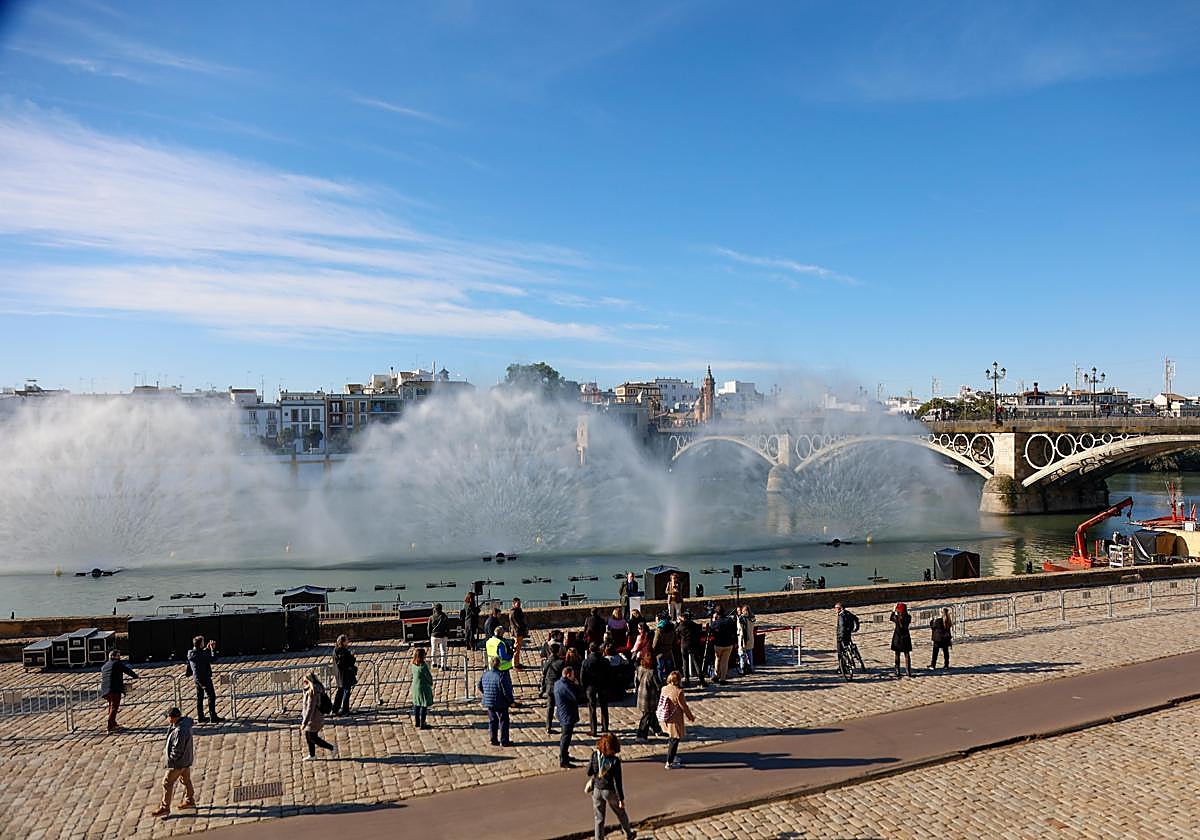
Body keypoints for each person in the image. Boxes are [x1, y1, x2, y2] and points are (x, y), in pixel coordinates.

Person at [587, 732, 636, 840]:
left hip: (596, 790)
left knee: (599, 818)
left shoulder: (595, 755)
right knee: (620, 813)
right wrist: (621, 799)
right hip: (609, 791)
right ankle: (629, 834)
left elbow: (589, 772)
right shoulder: (614, 761)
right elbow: (617, 782)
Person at [150, 706, 195, 817]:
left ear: (173, 718)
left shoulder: (180, 731)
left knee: (167, 782)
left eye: (168, 717)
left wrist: (171, 759)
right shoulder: (183, 725)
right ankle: (190, 799)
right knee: (186, 779)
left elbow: (177, 749)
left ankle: (165, 808)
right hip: (186, 760)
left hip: (178, 763)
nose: (167, 719)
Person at [657, 670, 694, 769]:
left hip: (665, 717)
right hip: (675, 719)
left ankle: (673, 757)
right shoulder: (679, 692)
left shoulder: (664, 688)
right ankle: (669, 762)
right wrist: (690, 717)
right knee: (674, 740)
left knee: (671, 738)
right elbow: (684, 706)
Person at [478, 655, 514, 746]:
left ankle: (493, 739)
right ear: (499, 665)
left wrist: (486, 694)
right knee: (503, 721)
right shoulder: (501, 676)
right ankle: (504, 740)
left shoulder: (485, 674)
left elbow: (479, 686)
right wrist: (511, 701)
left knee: (492, 721)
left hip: (489, 701)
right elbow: (506, 691)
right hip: (500, 702)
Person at [185, 636, 222, 723]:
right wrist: (212, 649)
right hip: (204, 678)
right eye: (203, 642)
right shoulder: (202, 654)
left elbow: (201, 653)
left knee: (200, 697)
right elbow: (213, 659)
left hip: (196, 678)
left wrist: (207, 648)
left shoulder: (190, 653)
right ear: (201, 644)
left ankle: (200, 717)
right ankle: (213, 716)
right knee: (211, 696)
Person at [99, 649, 138, 732]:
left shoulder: (105, 665)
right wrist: (135, 676)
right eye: (118, 655)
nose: (119, 657)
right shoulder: (117, 663)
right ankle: (110, 726)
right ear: (113, 656)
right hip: (114, 689)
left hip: (105, 689)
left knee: (111, 706)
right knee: (114, 707)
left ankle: (113, 723)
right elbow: (127, 670)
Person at [300, 673, 337, 760]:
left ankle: (332, 747)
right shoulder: (316, 688)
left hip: (314, 719)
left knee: (313, 738)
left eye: (305, 681)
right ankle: (312, 755)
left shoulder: (312, 692)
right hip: (314, 718)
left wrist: (304, 723)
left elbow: (310, 709)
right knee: (308, 737)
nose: (304, 683)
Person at [553, 665, 585, 767]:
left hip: (562, 713)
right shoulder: (566, 687)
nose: (574, 677)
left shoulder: (558, 683)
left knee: (565, 736)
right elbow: (576, 697)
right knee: (566, 738)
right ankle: (564, 760)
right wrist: (576, 685)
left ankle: (565, 754)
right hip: (567, 714)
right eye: (573, 675)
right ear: (568, 675)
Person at [580, 642, 611, 736]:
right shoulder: (605, 661)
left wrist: (584, 687)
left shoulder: (586, 662)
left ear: (590, 650)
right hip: (602, 685)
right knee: (604, 707)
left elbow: (582, 676)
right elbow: (609, 674)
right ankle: (605, 727)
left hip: (591, 686)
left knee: (592, 708)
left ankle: (594, 730)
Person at [634, 651, 664, 740]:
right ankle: (641, 735)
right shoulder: (652, 673)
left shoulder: (639, 668)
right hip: (649, 698)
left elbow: (636, 681)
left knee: (651, 715)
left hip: (641, 695)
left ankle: (657, 729)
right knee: (646, 717)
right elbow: (658, 686)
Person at [541, 643, 566, 732]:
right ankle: (564, 725)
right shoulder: (561, 662)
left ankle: (548, 726)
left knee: (550, 707)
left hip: (549, 687)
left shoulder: (547, 661)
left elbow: (544, 673)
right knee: (561, 707)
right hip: (558, 687)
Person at [676, 611, 705, 688]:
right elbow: (700, 632)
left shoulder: (681, 626)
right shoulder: (694, 624)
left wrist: (677, 623)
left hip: (684, 645)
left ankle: (687, 680)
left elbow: (677, 634)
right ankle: (702, 680)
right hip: (693, 645)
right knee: (696, 662)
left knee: (685, 663)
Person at [709, 607, 737, 684]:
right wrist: (735, 642)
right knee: (725, 662)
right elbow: (734, 631)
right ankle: (722, 678)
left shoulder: (716, 622)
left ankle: (716, 675)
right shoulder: (730, 620)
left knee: (717, 659)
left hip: (718, 644)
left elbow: (711, 631)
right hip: (728, 644)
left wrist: (713, 621)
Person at [332, 634, 357, 716]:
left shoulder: (336, 650)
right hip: (344, 675)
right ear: (343, 642)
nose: (348, 641)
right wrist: (352, 656)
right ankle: (345, 710)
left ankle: (335, 708)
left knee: (340, 691)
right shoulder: (342, 651)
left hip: (340, 675)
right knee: (346, 692)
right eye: (346, 640)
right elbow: (344, 663)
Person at [411, 647, 434, 729]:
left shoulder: (413, 664)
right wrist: (431, 683)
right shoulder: (423, 666)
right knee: (423, 705)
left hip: (415, 687)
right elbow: (428, 677)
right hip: (423, 687)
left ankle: (417, 722)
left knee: (417, 705)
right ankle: (422, 723)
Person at [890, 602, 914, 677]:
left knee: (897, 654)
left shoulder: (897, 618)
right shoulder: (908, 617)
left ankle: (897, 671)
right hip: (906, 637)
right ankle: (908, 671)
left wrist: (893, 611)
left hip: (897, 638)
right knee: (907, 654)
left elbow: (891, 618)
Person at [652, 613, 676, 680]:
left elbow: (655, 643)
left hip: (660, 652)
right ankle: (670, 682)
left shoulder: (659, 630)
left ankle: (661, 683)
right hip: (669, 651)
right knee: (669, 668)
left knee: (660, 668)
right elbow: (675, 640)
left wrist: (653, 650)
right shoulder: (671, 628)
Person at [835, 602, 860, 666]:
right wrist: (856, 627)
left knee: (840, 652)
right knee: (848, 645)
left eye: (836, 608)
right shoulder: (848, 613)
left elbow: (842, 627)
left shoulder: (841, 616)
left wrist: (840, 637)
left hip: (842, 635)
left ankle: (842, 666)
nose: (835, 610)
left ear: (840, 608)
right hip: (848, 632)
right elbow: (856, 618)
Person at [428, 603, 450, 669]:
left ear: (435, 609)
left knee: (434, 650)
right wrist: (447, 634)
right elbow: (447, 627)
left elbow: (429, 627)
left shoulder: (431, 617)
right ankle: (443, 665)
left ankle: (434, 663)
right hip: (443, 635)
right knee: (443, 651)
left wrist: (430, 635)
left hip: (434, 635)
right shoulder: (444, 616)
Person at [509, 597, 528, 670]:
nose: (519, 605)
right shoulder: (513, 612)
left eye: (520, 603)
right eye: (518, 603)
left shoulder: (518, 610)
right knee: (516, 649)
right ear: (514, 604)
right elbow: (517, 624)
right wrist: (524, 628)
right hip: (517, 632)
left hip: (519, 632)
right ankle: (515, 665)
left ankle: (517, 663)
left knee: (518, 648)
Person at [737, 605, 757, 675]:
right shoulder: (752, 618)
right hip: (750, 639)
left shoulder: (741, 619)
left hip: (743, 639)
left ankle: (742, 668)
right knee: (749, 654)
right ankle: (751, 667)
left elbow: (739, 629)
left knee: (742, 654)